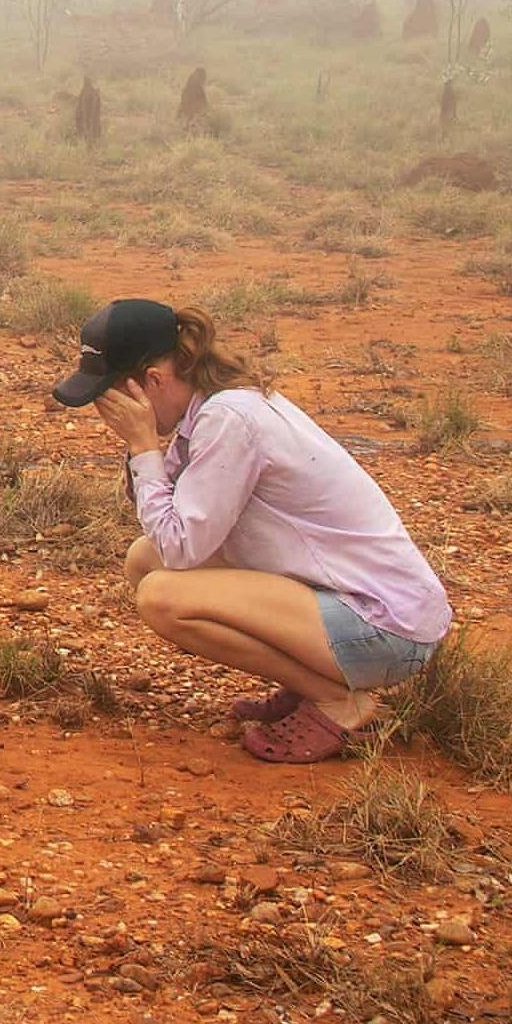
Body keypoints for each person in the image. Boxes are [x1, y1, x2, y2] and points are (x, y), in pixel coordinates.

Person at [53, 300, 451, 764]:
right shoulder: (215, 404)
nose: (106, 411)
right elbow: (169, 527)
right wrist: (144, 450)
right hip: (353, 598)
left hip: (385, 628)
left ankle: (337, 701)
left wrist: (143, 446)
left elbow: (181, 547)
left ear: (153, 381)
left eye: (110, 396)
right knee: (144, 559)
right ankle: (314, 683)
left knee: (162, 596)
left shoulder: (228, 419)